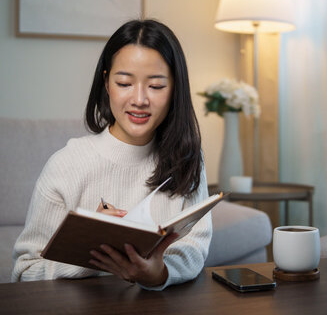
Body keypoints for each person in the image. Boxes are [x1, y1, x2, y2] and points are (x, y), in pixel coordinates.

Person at [11, 19, 211, 290]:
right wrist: (90, 252)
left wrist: (159, 273)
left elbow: (194, 249)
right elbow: (25, 271)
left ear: (175, 89)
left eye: (156, 86)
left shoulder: (187, 158)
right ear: (106, 83)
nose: (139, 99)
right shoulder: (66, 164)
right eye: (124, 83)